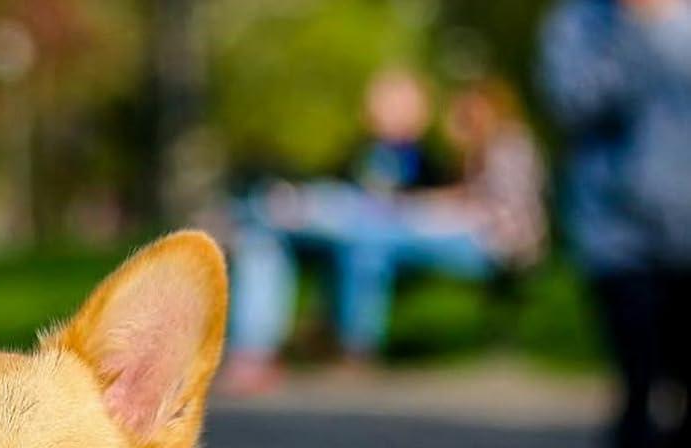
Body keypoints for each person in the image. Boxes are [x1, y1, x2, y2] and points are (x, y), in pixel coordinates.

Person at [224, 71, 546, 394]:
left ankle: (344, 344)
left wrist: (428, 206)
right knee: (270, 237)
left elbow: (494, 214)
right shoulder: (365, 150)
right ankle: (263, 350)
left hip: (493, 245)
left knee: (366, 239)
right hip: (364, 229)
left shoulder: (496, 147)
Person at [541, 0, 691, 448]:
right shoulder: (580, 23)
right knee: (640, 386)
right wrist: (637, 31)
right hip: (619, 241)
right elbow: (575, 102)